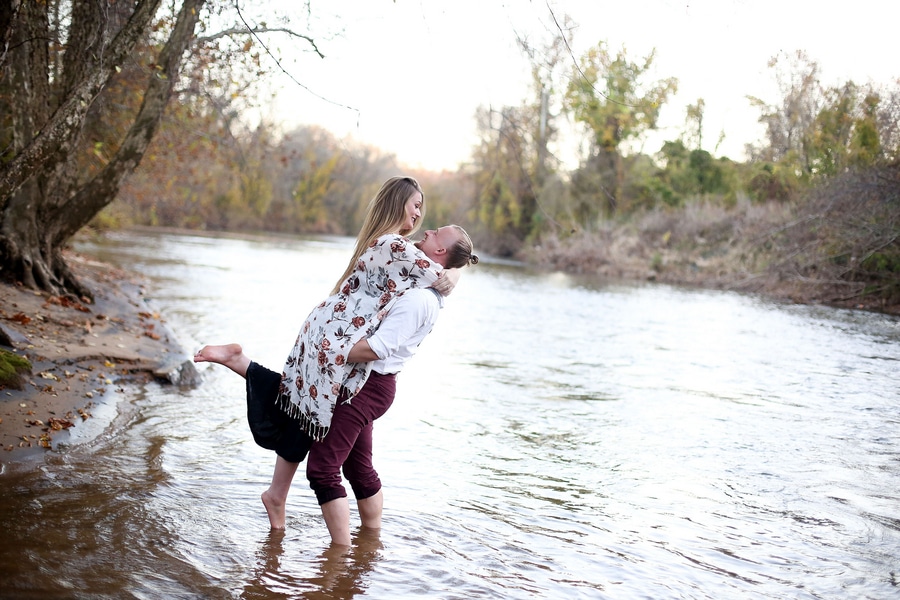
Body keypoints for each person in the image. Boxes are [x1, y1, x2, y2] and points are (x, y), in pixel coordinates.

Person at [195, 176, 479, 545]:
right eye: (416, 206)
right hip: (342, 352)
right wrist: (455, 273)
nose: (425, 220)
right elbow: (442, 273)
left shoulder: (396, 256)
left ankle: (348, 546)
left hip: (342, 353)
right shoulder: (397, 250)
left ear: (440, 250)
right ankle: (348, 558)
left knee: (302, 411)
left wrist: (455, 268)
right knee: (305, 416)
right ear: (399, 206)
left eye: (434, 226)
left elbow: (440, 273)